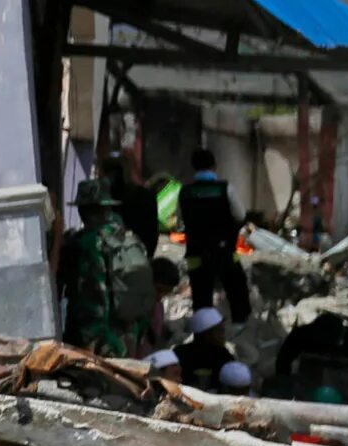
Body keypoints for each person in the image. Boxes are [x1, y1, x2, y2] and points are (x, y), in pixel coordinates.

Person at [63, 177, 157, 358]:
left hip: (100, 337)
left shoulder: (88, 243)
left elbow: (86, 296)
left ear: (85, 210)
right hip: (129, 333)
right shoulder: (130, 240)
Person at [178, 149, 251, 323]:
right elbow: (240, 216)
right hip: (224, 253)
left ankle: (203, 335)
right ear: (214, 166)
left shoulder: (185, 191)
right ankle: (239, 329)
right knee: (238, 294)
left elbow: (180, 220)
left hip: (197, 255)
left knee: (201, 302)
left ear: (193, 167)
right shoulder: (226, 189)